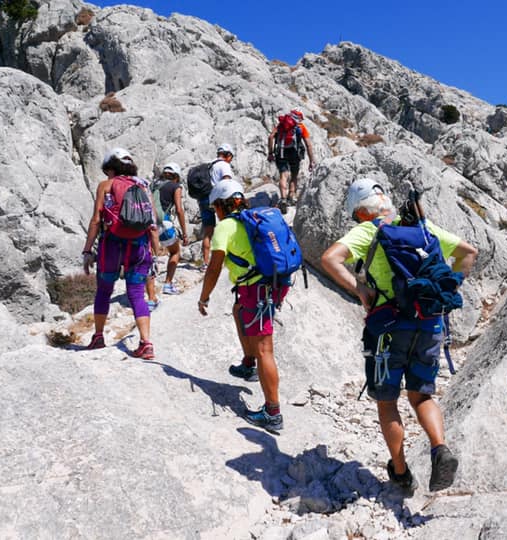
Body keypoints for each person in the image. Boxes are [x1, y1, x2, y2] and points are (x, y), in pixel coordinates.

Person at [320, 178, 477, 492]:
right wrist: (444, 290)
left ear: (361, 211)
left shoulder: (369, 230)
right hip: (430, 324)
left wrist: (360, 289)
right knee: (421, 396)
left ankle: (401, 472)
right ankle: (439, 448)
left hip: (388, 329)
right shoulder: (422, 228)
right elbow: (468, 253)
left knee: (387, 401)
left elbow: (329, 258)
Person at [198, 179, 289, 432]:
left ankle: (272, 412)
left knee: (265, 350)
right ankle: (248, 365)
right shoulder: (253, 219)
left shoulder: (225, 227)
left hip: (256, 290)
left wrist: (204, 297)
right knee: (239, 311)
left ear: (220, 206)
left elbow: (214, 267)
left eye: (215, 207)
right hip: (271, 285)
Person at [81, 147, 160, 359]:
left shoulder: (106, 186)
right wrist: (156, 252)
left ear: (111, 168)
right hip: (140, 247)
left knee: (104, 290)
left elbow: (96, 220)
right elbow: (152, 224)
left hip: (112, 246)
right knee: (136, 293)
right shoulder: (143, 186)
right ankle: (146, 343)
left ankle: (98, 337)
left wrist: (88, 250)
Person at [198, 144, 235, 272]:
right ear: (228, 155)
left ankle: (205, 262)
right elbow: (226, 182)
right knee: (227, 226)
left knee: (208, 231)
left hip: (204, 199)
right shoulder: (224, 165)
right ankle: (228, 257)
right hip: (219, 200)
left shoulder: (210, 165)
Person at [267, 109, 315, 208]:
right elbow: (308, 145)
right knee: (294, 175)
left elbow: (271, 137)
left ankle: (283, 199)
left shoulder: (281, 124)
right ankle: (291, 197)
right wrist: (311, 161)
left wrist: (270, 153)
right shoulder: (301, 127)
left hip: (281, 153)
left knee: (283, 176)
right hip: (294, 153)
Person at [155, 162, 189, 295]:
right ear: (176, 176)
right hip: (164, 223)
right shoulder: (176, 186)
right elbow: (179, 210)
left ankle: (147, 290)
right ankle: (168, 284)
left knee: (149, 256)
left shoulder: (153, 184)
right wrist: (184, 233)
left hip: (147, 224)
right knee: (175, 252)